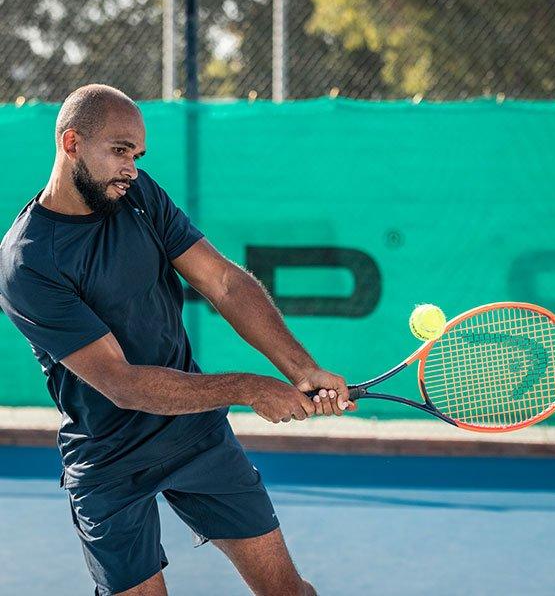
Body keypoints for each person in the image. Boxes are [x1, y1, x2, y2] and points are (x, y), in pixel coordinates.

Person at [0, 84, 355, 596]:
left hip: (194, 435)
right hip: (107, 458)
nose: (131, 168)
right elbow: (123, 385)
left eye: (138, 155)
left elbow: (225, 282)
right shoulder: (27, 263)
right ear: (71, 143)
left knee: (288, 592)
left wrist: (301, 368)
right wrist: (250, 388)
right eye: (120, 151)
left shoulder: (139, 197)